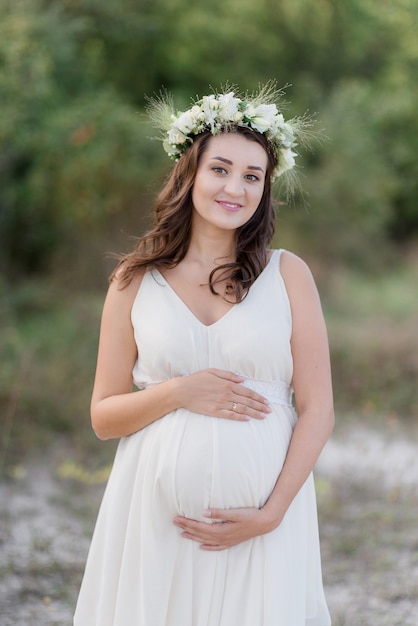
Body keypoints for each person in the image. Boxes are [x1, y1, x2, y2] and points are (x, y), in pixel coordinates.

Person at [73, 83, 334, 626]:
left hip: (262, 522)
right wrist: (178, 392)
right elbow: (103, 417)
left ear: (265, 187)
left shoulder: (289, 275)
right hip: (154, 516)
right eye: (220, 169)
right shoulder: (134, 280)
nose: (234, 187)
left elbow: (318, 410)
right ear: (189, 172)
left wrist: (271, 514)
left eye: (252, 176)